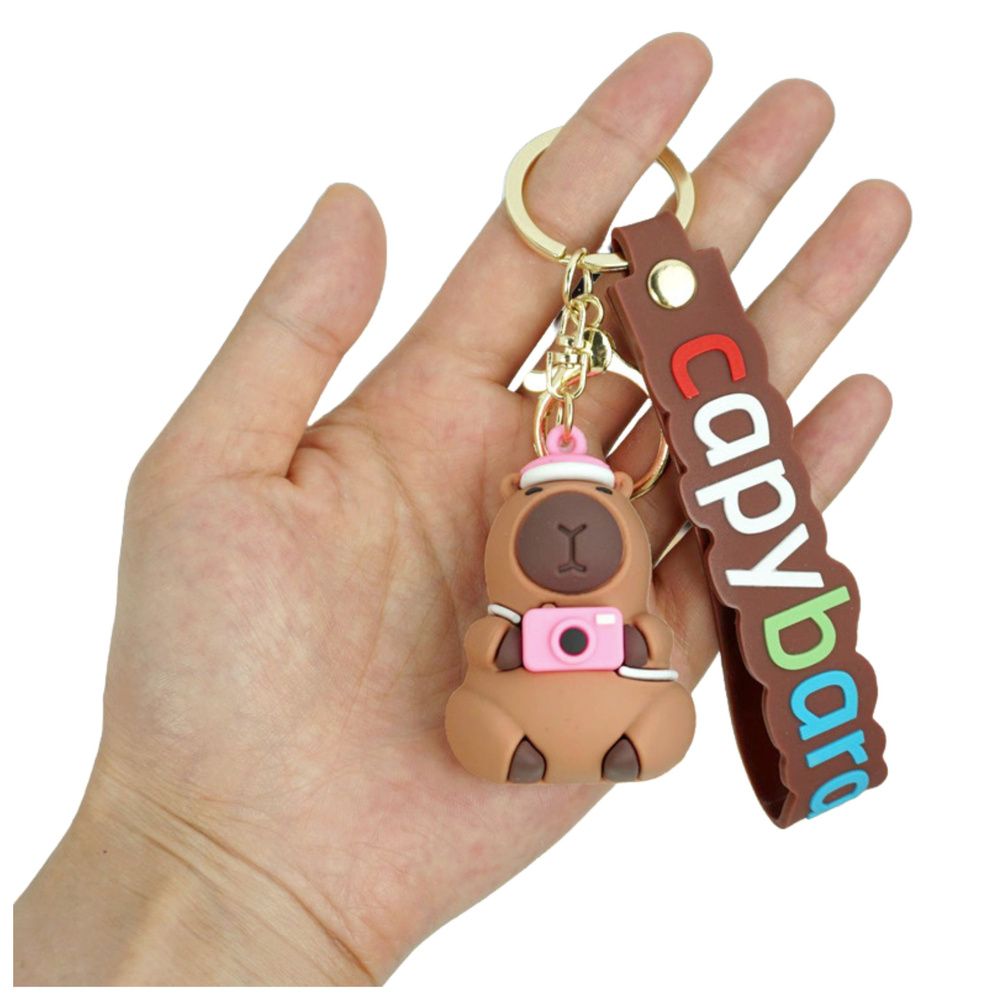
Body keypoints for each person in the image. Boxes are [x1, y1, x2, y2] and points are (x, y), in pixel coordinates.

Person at [12, 33, 909, 986]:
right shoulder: (507, 615)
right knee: (480, 719)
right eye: (552, 520)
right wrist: (203, 850)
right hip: (518, 709)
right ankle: (536, 747)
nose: (573, 539)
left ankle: (622, 743)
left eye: (590, 521)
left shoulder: (624, 606)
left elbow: (642, 634)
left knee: (667, 720)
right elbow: (491, 641)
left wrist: (633, 646)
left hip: (617, 700)